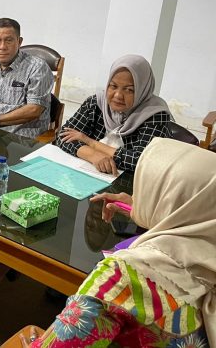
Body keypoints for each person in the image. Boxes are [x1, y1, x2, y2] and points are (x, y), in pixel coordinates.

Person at [20, 138, 213, 347]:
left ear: (167, 199)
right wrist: (138, 208)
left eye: (146, 188)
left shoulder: (122, 276)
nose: (139, 194)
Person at [55, 54, 171, 174]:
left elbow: (141, 162)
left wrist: (90, 142)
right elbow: (63, 136)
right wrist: (94, 156)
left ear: (143, 89)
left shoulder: (155, 115)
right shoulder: (97, 103)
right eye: (113, 86)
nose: (117, 96)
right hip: (91, 174)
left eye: (129, 89)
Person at [0, 18, 53, 138]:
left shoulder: (37, 68)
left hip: (21, 138)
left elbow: (34, 110)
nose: (2, 47)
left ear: (19, 41)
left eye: (9, 40)